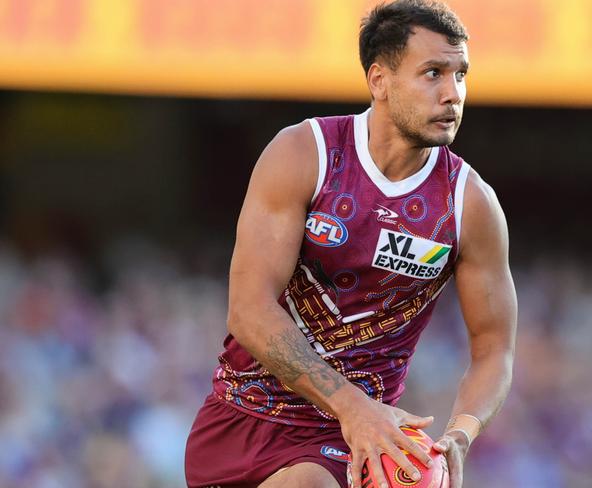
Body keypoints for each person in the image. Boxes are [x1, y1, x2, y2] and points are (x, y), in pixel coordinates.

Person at [185, 1, 517, 487]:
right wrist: (352, 406)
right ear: (379, 80)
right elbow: (249, 309)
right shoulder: (305, 155)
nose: (452, 94)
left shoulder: (471, 205)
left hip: (357, 441)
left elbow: (494, 349)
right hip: (243, 419)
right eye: (432, 73)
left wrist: (460, 434)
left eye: (460, 74)